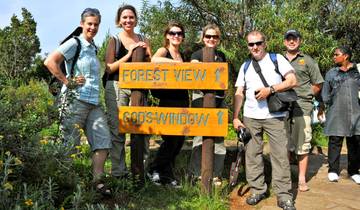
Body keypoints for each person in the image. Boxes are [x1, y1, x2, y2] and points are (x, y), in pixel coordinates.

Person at [44, 8, 112, 195]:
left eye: (96, 24)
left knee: (103, 141)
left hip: (94, 103)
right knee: (69, 144)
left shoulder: (94, 47)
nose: (93, 27)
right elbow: (50, 61)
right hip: (75, 101)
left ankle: (97, 182)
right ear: (82, 24)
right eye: (89, 23)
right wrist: (67, 81)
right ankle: (64, 185)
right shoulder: (75, 43)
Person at [233, 30, 297, 209]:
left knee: (280, 156)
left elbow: (292, 80)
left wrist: (271, 89)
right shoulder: (245, 66)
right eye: (251, 44)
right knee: (252, 155)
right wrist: (236, 117)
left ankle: (284, 195)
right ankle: (258, 189)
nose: (255, 47)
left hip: (275, 116)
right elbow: (239, 92)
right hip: (250, 117)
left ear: (265, 43)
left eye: (258, 43)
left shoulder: (277, 59)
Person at [104, 4, 152, 178]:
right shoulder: (114, 40)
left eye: (131, 17)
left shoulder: (144, 38)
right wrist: (129, 53)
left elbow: (151, 65)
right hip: (117, 87)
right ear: (119, 20)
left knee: (142, 129)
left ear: (136, 19)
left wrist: (146, 52)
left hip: (139, 89)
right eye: (124, 17)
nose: (128, 20)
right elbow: (109, 68)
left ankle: (141, 171)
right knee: (118, 131)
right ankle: (119, 172)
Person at [147, 22, 188, 188]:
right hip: (168, 100)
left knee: (179, 140)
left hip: (182, 100)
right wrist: (177, 64)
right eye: (172, 33)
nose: (176, 36)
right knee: (170, 139)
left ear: (183, 37)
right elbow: (154, 60)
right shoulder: (164, 51)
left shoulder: (183, 54)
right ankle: (154, 169)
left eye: (179, 33)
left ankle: (165, 174)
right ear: (167, 35)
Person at [283, 29, 324, 192]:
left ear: (299, 41)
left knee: (303, 143)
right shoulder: (277, 60)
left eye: (295, 39)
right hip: (282, 106)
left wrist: (306, 94)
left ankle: (301, 179)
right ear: (284, 42)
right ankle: (285, 178)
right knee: (283, 142)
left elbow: (318, 83)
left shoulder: (307, 61)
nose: (291, 41)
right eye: (289, 39)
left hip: (302, 106)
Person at [189, 24, 227, 186]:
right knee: (199, 136)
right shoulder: (197, 54)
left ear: (218, 39)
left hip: (218, 99)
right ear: (203, 38)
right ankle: (197, 173)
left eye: (215, 37)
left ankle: (216, 174)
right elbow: (194, 73)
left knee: (218, 139)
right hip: (200, 98)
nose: (211, 39)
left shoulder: (222, 56)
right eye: (208, 36)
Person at [321, 46, 360, 184]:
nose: (333, 56)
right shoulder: (331, 73)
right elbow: (325, 93)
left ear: (346, 56)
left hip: (356, 113)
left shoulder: (358, 71)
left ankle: (354, 171)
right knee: (335, 141)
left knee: (355, 142)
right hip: (336, 112)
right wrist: (326, 102)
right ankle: (333, 170)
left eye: (336, 54)